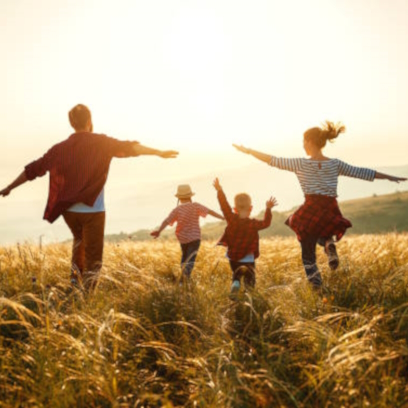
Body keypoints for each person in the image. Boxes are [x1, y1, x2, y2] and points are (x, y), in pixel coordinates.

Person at [0, 104, 178, 291]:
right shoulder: (101, 143)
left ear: (72, 123)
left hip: (69, 212)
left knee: (79, 243)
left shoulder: (59, 149)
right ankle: (86, 297)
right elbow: (130, 147)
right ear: (89, 121)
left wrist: (10, 187)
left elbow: (34, 169)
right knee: (94, 257)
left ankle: (75, 283)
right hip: (93, 211)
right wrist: (158, 153)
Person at [233, 121, 407, 289]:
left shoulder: (301, 164)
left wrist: (248, 151)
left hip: (310, 207)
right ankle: (328, 244)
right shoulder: (334, 164)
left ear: (309, 142)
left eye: (303, 141)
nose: (303, 145)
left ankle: (317, 286)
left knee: (307, 252)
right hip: (330, 207)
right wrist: (391, 177)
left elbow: (272, 160)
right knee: (322, 233)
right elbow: (362, 172)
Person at [212, 177, 278, 296]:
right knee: (250, 278)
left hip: (233, 256)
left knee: (236, 273)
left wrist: (219, 190)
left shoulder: (231, 219)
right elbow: (266, 223)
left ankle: (236, 282)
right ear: (251, 208)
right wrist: (268, 209)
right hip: (248, 257)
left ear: (235, 209)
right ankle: (249, 295)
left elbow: (224, 205)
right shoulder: (253, 224)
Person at [151, 184, 224, 280]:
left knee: (184, 258)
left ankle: (183, 278)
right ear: (190, 196)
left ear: (179, 198)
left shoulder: (177, 210)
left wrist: (159, 231)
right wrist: (223, 217)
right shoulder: (195, 206)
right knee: (190, 259)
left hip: (183, 239)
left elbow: (167, 221)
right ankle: (185, 278)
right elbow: (210, 211)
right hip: (195, 238)